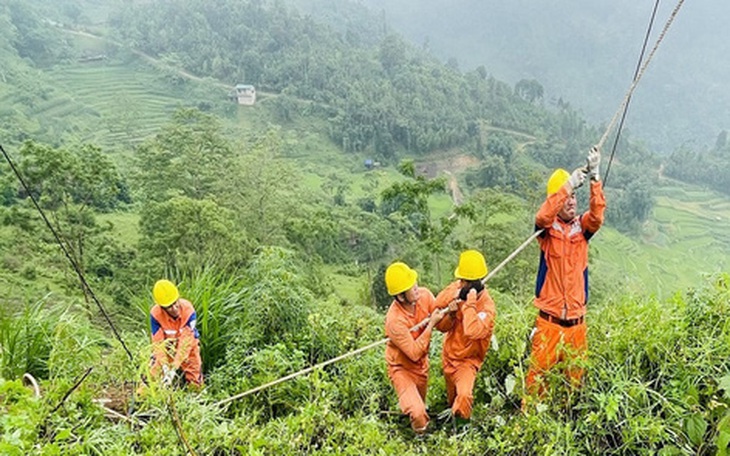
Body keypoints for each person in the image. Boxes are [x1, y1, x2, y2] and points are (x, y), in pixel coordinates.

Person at [525, 146, 605, 398]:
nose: (571, 201)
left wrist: (595, 178)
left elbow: (597, 215)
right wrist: (568, 185)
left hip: (577, 326)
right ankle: (531, 429)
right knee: (537, 385)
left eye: (573, 197)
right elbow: (543, 214)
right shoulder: (545, 231)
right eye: (567, 197)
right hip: (549, 324)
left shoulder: (583, 228)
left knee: (575, 389)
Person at [434, 250, 496, 422]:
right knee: (452, 399)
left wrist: (469, 303)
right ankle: (450, 415)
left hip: (467, 362)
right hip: (449, 357)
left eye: (464, 281)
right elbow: (439, 317)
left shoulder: (487, 307)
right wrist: (452, 312)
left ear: (475, 283)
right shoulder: (458, 289)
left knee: (464, 396)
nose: (459, 283)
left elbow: (472, 330)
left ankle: (460, 430)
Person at [384, 262, 443, 434]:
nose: (416, 287)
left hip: (421, 367)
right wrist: (430, 325)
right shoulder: (394, 321)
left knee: (420, 406)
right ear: (401, 296)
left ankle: (418, 426)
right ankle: (420, 442)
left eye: (414, 282)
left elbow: (441, 315)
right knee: (417, 412)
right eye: (411, 287)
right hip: (402, 369)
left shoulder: (424, 296)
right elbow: (414, 353)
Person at [149, 279, 203, 388]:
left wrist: (174, 368)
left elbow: (186, 342)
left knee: (195, 378)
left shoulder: (188, 310)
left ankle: (196, 397)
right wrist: (164, 366)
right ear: (162, 308)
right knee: (152, 376)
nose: (174, 309)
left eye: (175, 303)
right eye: (169, 307)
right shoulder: (155, 315)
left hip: (188, 348)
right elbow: (158, 343)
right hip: (167, 348)